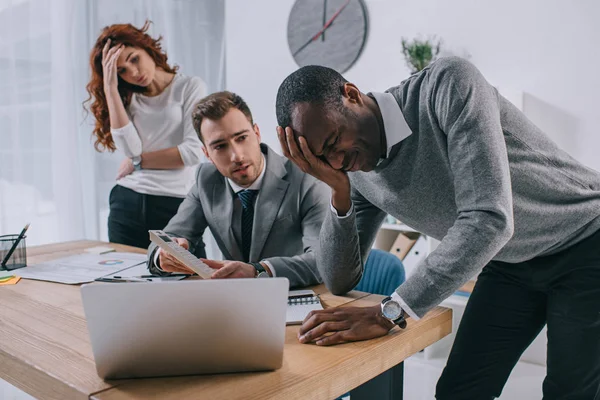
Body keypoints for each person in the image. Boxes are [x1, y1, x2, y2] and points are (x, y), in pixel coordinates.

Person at [275, 57, 600, 399]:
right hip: (511, 263)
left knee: (570, 393)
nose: (337, 162)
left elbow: (489, 219)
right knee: (458, 392)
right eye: (323, 159)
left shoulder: (447, 86)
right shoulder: (355, 172)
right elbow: (340, 279)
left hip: (584, 239)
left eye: (334, 142)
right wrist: (339, 193)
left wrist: (391, 311)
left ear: (352, 95)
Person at [147, 91, 329, 288]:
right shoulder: (206, 180)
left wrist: (258, 270)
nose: (236, 156)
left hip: (294, 296)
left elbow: (323, 261)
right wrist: (163, 255)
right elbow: (166, 238)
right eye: (220, 146)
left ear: (257, 133)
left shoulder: (306, 179)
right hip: (233, 299)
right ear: (207, 153)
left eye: (241, 138)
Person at [84, 21, 205, 248]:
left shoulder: (189, 87)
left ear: (146, 48)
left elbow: (193, 152)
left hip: (176, 203)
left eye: (133, 59)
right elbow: (131, 150)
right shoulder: (128, 98)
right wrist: (111, 89)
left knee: (192, 277)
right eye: (122, 71)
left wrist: (138, 162)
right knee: (128, 279)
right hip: (127, 200)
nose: (134, 72)